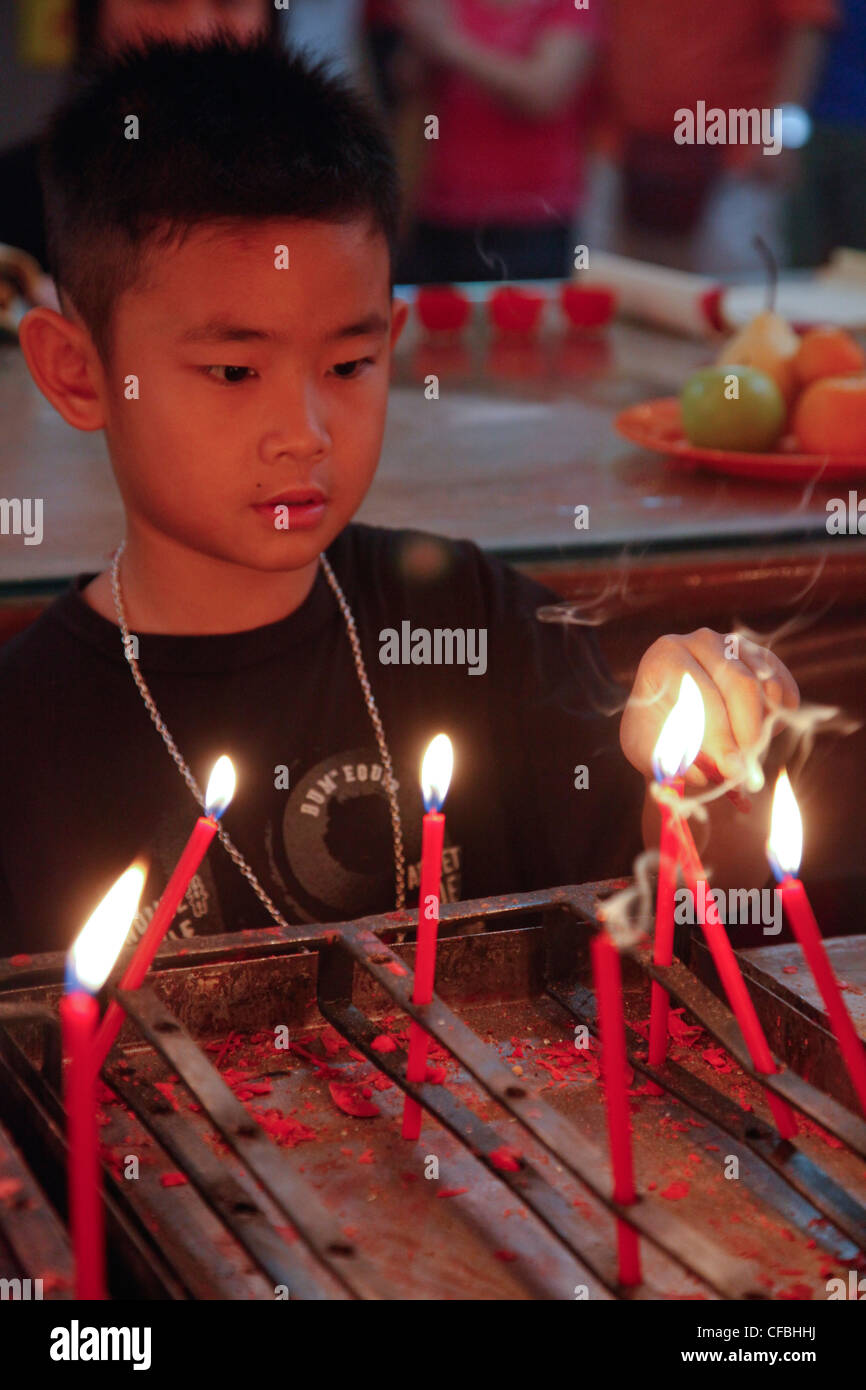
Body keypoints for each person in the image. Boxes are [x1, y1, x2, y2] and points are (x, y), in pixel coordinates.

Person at [2, 38, 798, 955]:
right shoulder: (27, 739)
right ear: (77, 372)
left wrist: (709, 762)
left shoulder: (483, 633)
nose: (304, 431)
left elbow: (682, 938)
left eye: (349, 363)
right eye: (232, 369)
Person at [0, 0, 278, 271]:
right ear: (90, 13)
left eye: (230, 1)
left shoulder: (312, 212)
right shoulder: (11, 201)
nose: (193, 31)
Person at [590, 0, 836, 274]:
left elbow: (806, 26)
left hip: (735, 149)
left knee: (738, 292)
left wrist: (779, 134)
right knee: (614, 283)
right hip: (621, 142)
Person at [393, 0, 596, 283]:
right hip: (441, 209)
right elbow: (409, 81)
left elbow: (543, 94)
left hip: (531, 219)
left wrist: (449, 44)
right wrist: (420, 39)